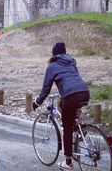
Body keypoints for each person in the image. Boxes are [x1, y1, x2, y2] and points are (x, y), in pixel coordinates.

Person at [33, 42, 90, 171]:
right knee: (65, 106)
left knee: (67, 129)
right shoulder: (71, 62)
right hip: (84, 92)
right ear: (64, 52)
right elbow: (73, 79)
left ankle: (68, 163)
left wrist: (37, 102)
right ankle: (79, 129)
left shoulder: (52, 66)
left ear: (54, 53)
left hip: (71, 96)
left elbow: (46, 90)